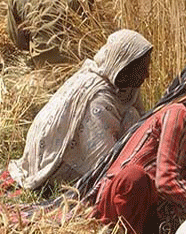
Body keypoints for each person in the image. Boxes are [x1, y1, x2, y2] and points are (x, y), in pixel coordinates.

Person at [76, 62, 186, 234]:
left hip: (154, 205)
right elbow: (166, 181)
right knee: (134, 177)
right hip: (124, 203)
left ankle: (162, 230)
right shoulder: (177, 114)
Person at [3, 29, 152, 193]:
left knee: (132, 116)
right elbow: (104, 162)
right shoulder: (98, 101)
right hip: (54, 161)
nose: (147, 74)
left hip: (75, 148)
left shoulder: (123, 86)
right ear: (123, 67)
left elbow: (142, 121)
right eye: (142, 69)